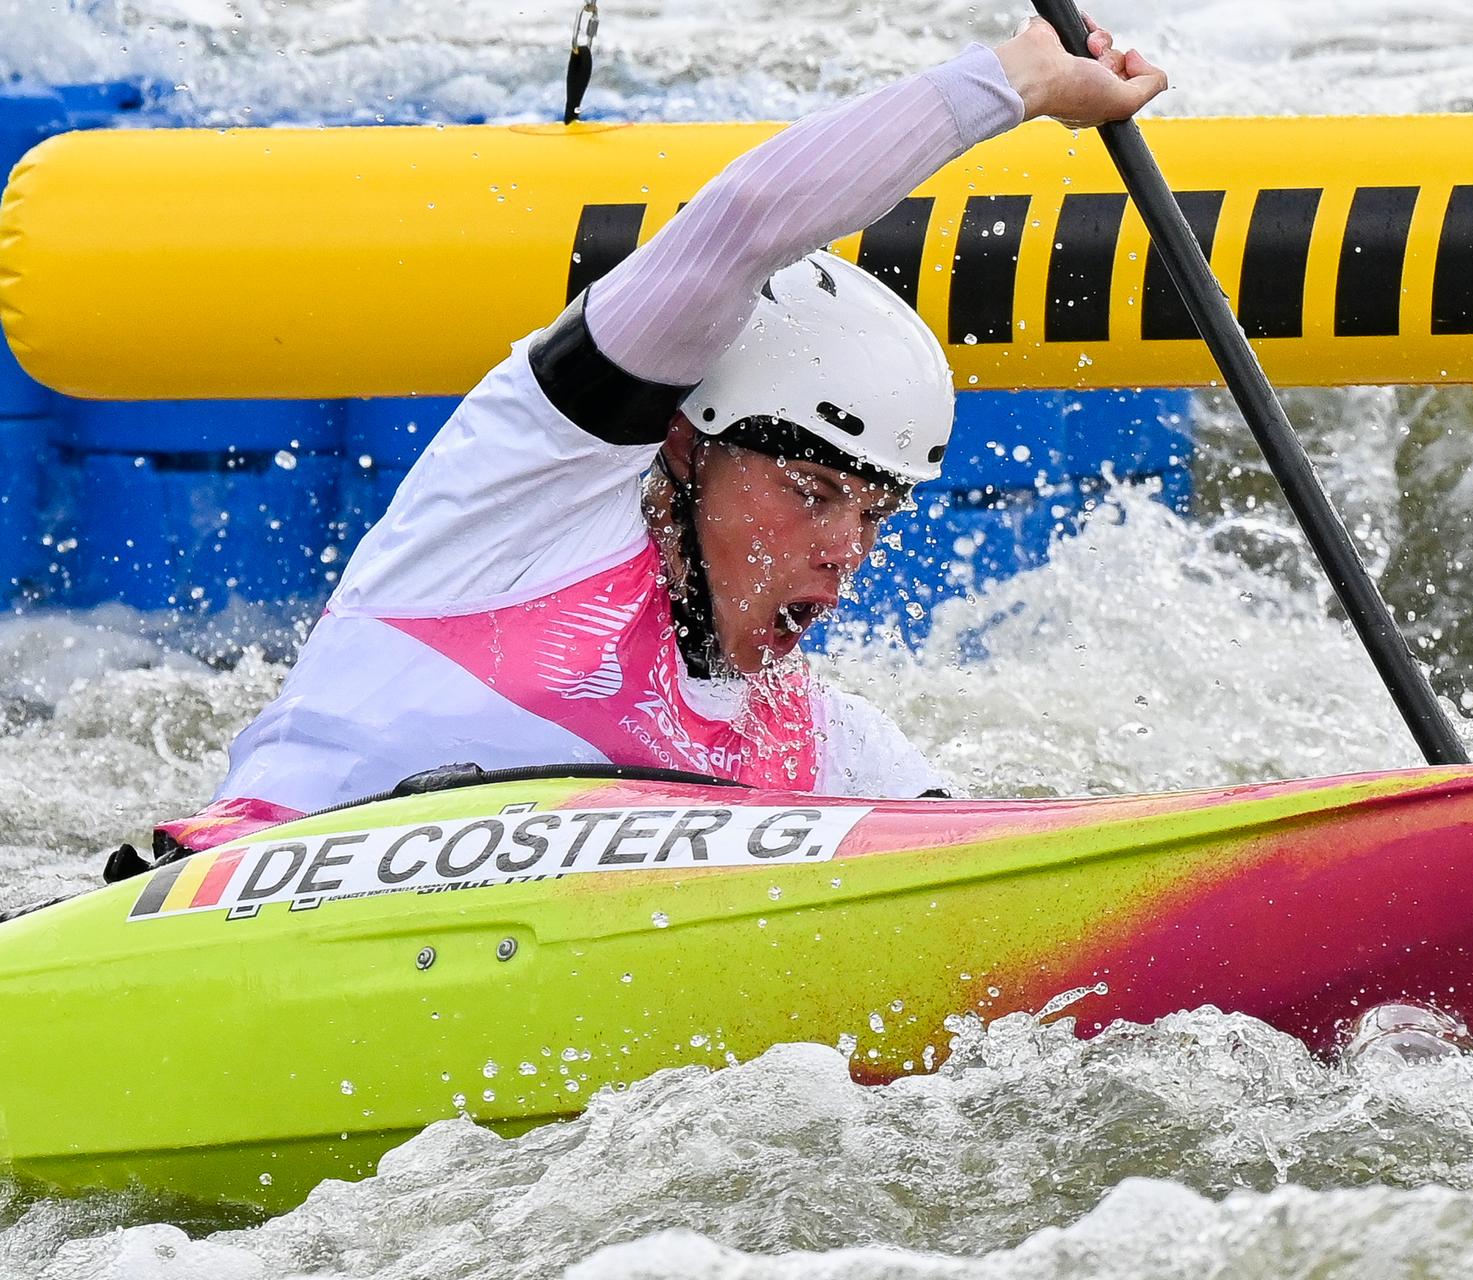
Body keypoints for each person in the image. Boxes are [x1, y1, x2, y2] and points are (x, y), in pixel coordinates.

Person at [153, 16, 1169, 856]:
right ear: (685, 449)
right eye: (812, 490)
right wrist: (1019, 80)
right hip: (199, 931)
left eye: (874, 512)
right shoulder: (521, 505)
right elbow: (739, 226)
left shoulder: (821, 753)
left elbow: (1001, 878)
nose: (844, 551)